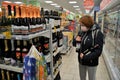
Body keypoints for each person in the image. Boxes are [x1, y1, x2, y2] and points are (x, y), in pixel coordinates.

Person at [73, 15, 104, 80]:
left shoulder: (97, 33)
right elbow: (74, 44)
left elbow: (98, 51)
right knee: (82, 78)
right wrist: (76, 40)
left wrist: (85, 57)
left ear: (88, 24)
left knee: (91, 78)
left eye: (83, 25)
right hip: (81, 61)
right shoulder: (81, 32)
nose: (81, 27)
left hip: (91, 62)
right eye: (80, 25)